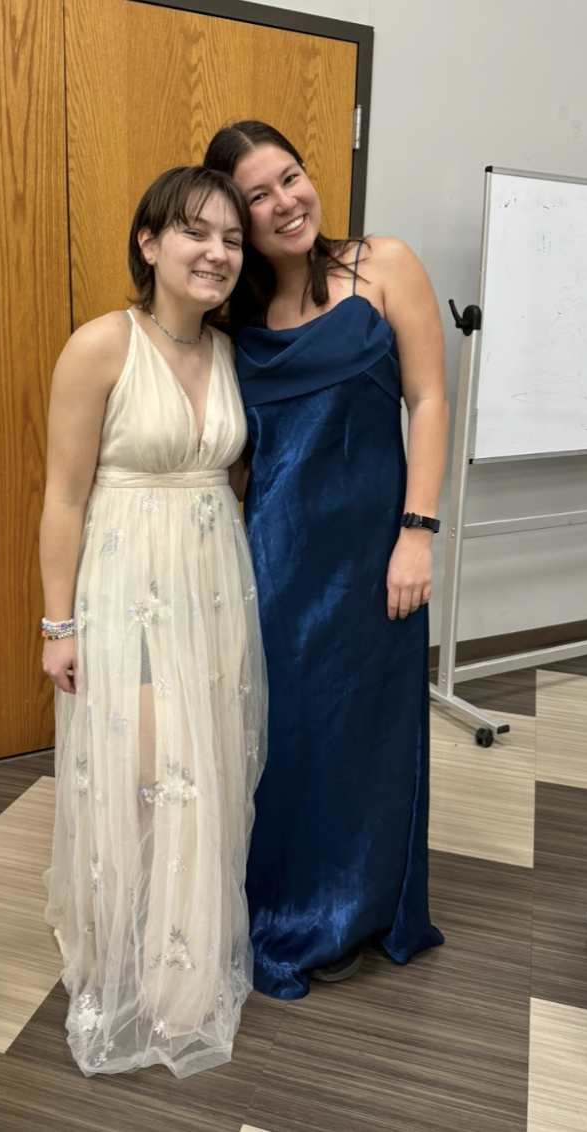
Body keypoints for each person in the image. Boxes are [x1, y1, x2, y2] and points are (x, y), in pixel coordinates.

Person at [204, 121, 448, 1000]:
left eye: (291, 178)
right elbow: (238, 454)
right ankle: (295, 905)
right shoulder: (232, 317)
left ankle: (368, 901)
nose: (284, 202)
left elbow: (426, 399)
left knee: (372, 727)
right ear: (238, 216)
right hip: (276, 560)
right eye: (258, 195)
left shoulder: (383, 263)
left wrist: (417, 531)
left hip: (379, 553)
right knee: (291, 738)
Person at [40, 166, 266, 1077]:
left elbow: (237, 477)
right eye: (195, 234)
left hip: (212, 581)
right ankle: (128, 967)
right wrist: (58, 626)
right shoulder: (101, 345)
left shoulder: (230, 352)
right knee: (144, 780)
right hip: (126, 581)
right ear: (149, 243)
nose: (218, 254)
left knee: (206, 768)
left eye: (232, 240)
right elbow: (62, 494)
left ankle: (185, 967)